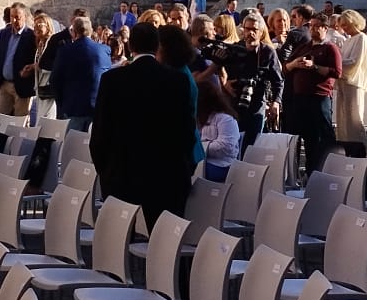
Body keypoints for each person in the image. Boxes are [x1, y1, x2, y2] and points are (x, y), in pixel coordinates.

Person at [90, 20, 198, 218]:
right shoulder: (177, 80)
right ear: (157, 46)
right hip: (165, 174)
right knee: (162, 243)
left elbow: (100, 131)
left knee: (121, 241)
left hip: (122, 174)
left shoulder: (113, 80)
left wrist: (105, 170)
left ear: (130, 46)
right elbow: (187, 130)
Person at [279, 14, 341, 179]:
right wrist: (294, 64)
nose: (312, 29)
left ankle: (320, 172)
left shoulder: (330, 48)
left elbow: (336, 72)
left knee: (320, 137)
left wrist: (314, 67)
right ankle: (298, 173)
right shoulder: (303, 47)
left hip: (319, 98)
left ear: (324, 28)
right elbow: (285, 67)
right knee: (299, 135)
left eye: (316, 26)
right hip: (299, 99)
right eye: (311, 26)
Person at [225, 12, 284, 148]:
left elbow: (278, 81)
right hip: (234, 105)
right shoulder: (234, 49)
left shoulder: (267, 52)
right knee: (234, 146)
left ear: (261, 32)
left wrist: (276, 102)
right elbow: (221, 71)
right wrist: (225, 83)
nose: (250, 33)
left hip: (256, 105)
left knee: (252, 146)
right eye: (247, 29)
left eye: (254, 30)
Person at [331, 9, 367, 157]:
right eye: (342, 26)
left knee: (354, 120)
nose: (344, 29)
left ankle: (360, 152)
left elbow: (354, 62)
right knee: (342, 120)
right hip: (343, 82)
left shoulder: (361, 38)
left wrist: (335, 64)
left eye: (346, 25)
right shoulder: (348, 40)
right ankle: (346, 150)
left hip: (353, 83)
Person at [51, 13, 111, 125]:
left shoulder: (64, 51)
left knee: (72, 141)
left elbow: (55, 80)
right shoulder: (104, 50)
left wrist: (62, 103)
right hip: (97, 108)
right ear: (91, 30)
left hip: (72, 108)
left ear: (73, 32)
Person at [0, 2, 36, 118]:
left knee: (19, 123)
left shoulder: (31, 36)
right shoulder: (4, 33)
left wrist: (29, 71)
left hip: (21, 86)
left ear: (25, 17)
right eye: (12, 17)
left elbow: (35, 60)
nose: (14, 21)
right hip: (4, 84)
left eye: (18, 17)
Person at [197, 76, 241, 180]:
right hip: (202, 161)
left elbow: (226, 146)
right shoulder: (197, 119)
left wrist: (200, 146)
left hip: (222, 164)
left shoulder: (225, 119)